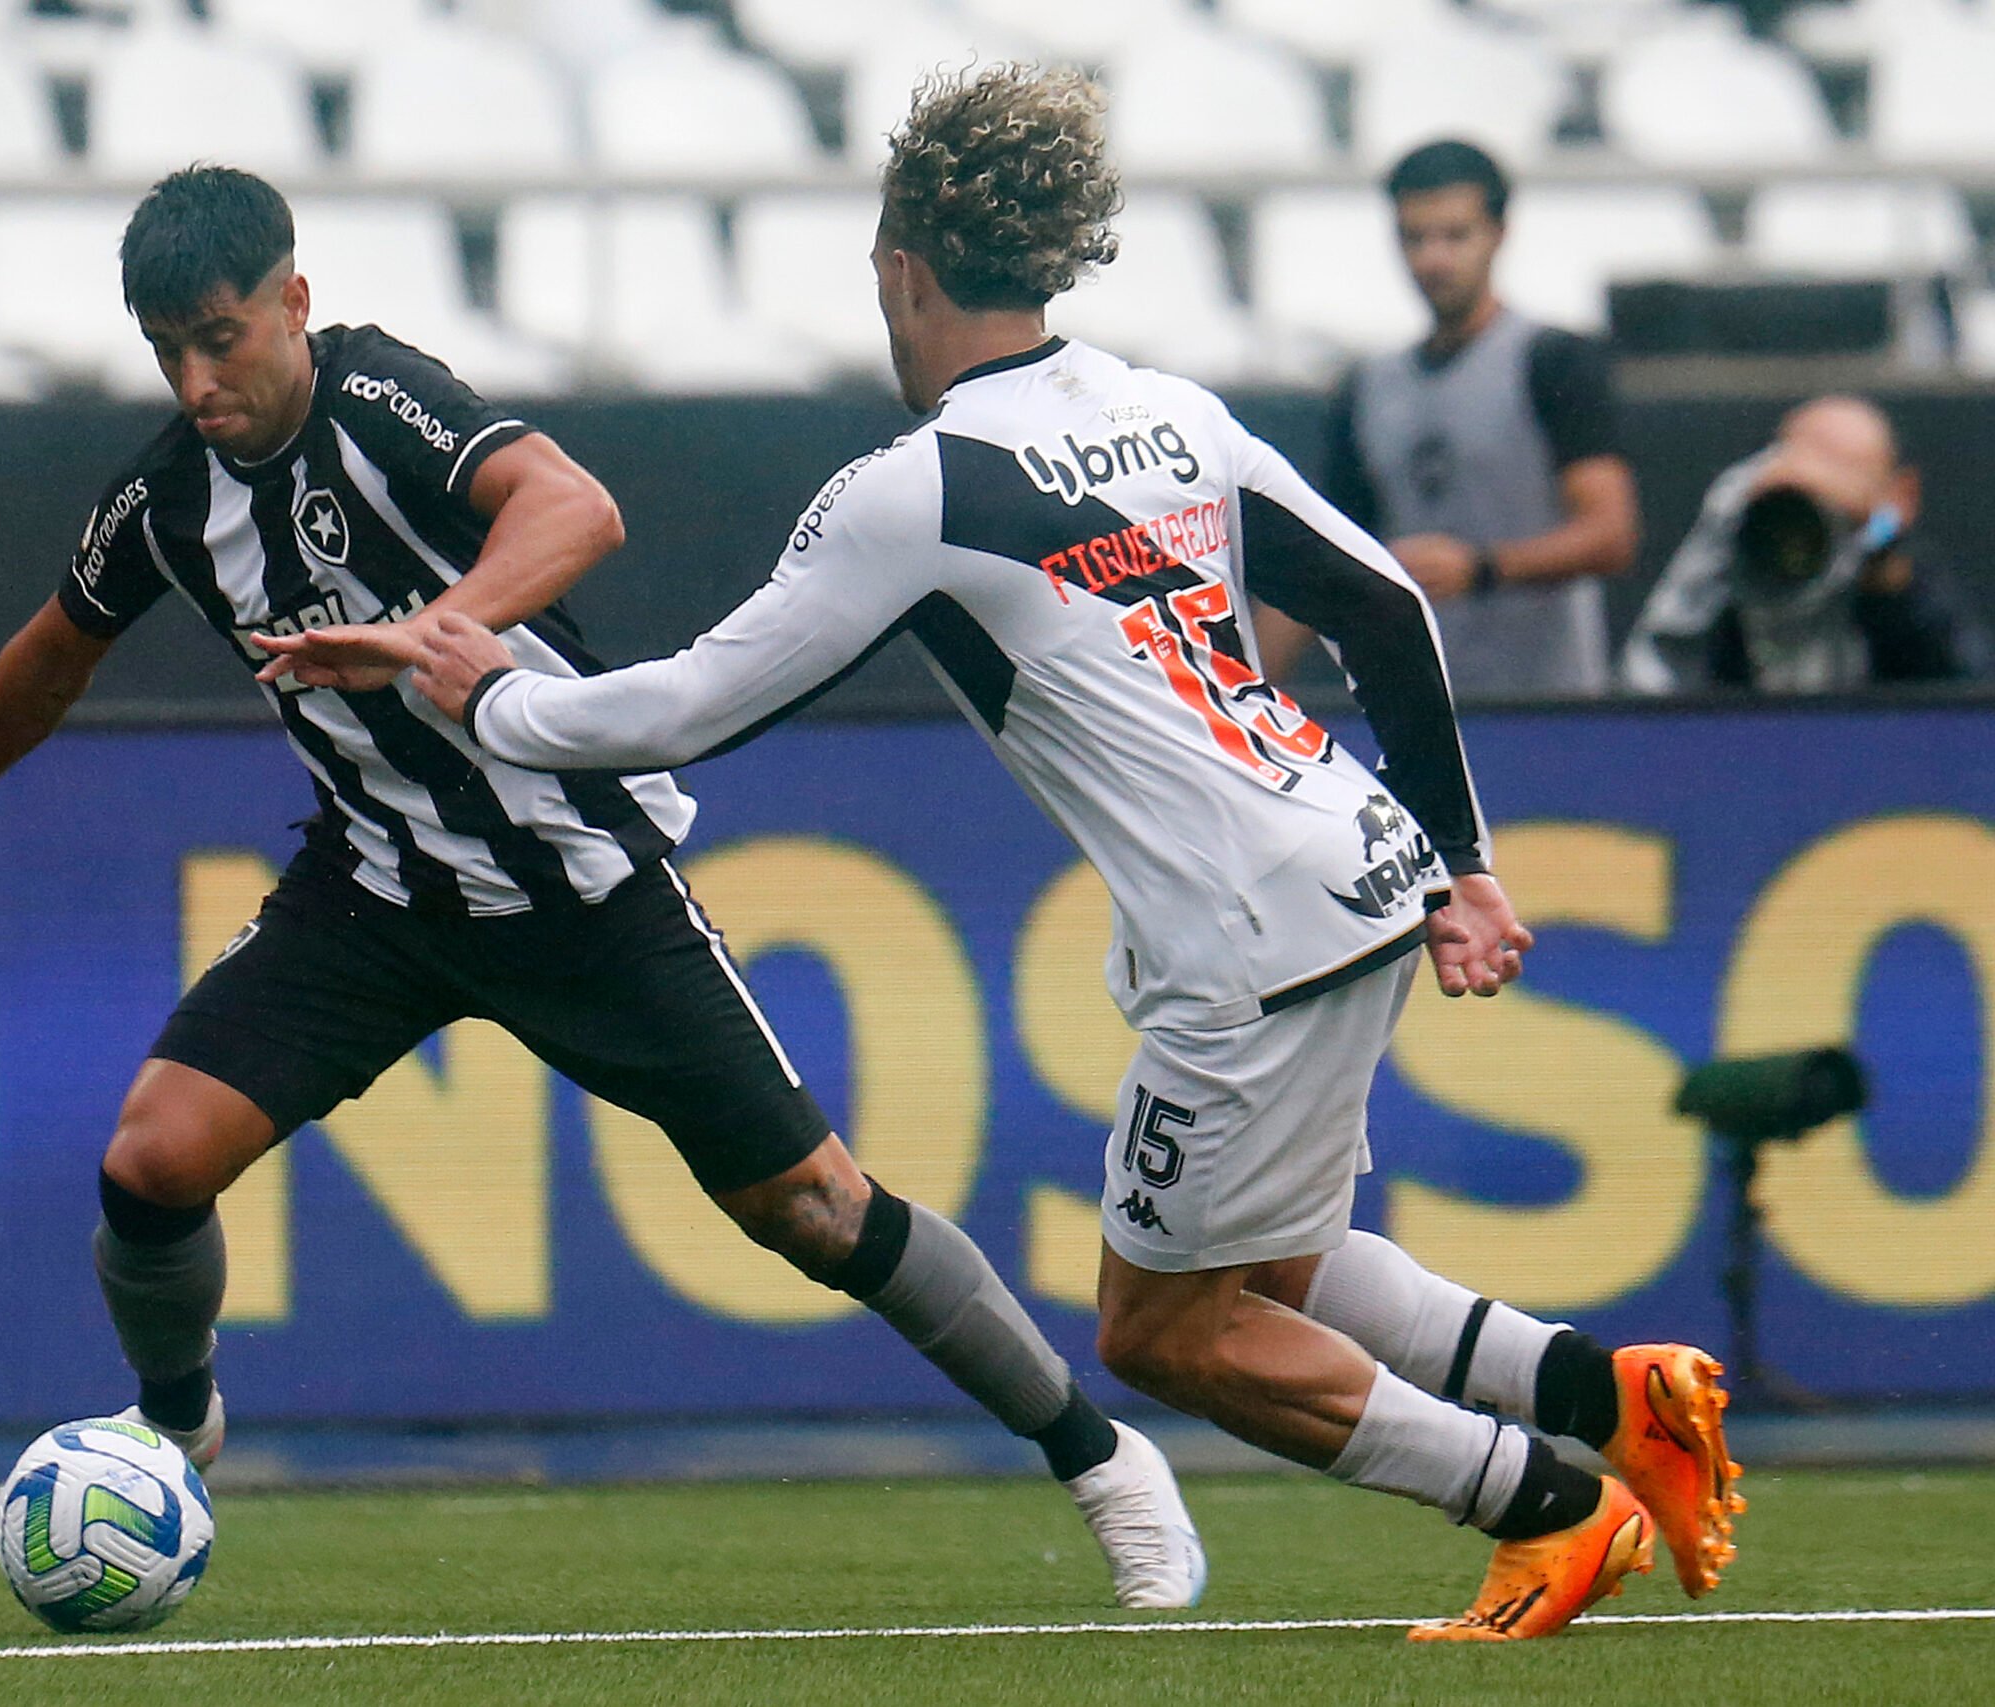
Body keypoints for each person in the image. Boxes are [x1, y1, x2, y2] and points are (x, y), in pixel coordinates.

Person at [265, 68, 1744, 1642]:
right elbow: (1389, 603)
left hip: (1248, 944)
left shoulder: (919, 488)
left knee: (1164, 1332)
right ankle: (1611, 1391)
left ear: (903, 266)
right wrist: (1466, 863)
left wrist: (485, 684)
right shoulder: (1167, 409)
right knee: (1289, 1264)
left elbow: (688, 706)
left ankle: (1547, 1503)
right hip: (1359, 868)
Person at [0, 165, 1200, 1610]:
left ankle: (1102, 1457)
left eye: (221, 336)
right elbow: (53, 649)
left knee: (816, 1208)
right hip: (375, 891)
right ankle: (177, 1423)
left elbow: (575, 508)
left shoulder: (378, 401)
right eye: (167, 351)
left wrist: (426, 632)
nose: (199, 382)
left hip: (580, 878)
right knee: (148, 1162)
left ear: (293, 304)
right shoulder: (168, 498)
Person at [1259, 139, 1639, 699]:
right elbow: (1325, 557)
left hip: (1549, 706)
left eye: (1455, 235)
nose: (1434, 259)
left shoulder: (1553, 361)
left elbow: (1611, 534)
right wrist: (1240, 689)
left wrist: (1482, 570)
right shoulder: (1368, 388)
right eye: (1415, 238)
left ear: (1499, 235)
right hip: (1419, 711)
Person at [1623, 394, 1986, 693]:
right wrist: (1733, 523)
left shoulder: (1902, 569)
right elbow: (1653, 678)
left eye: (1846, 469)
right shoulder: (1733, 546)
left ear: (1900, 492)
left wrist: (1880, 552)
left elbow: (1966, 700)